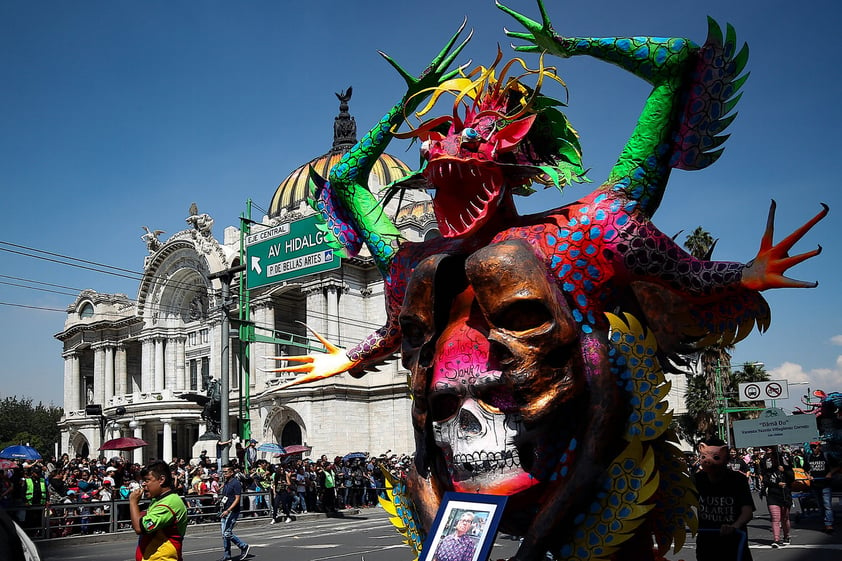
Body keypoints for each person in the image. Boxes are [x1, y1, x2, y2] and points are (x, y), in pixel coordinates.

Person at [693, 437, 754, 561]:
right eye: (703, 457)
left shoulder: (737, 480)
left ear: (726, 459)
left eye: (716, 457)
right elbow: (682, 503)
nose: (708, 462)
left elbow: (747, 511)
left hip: (734, 543)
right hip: (707, 543)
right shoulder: (696, 480)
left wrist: (735, 526)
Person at [129, 460, 188, 561]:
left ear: (161, 480)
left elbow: (139, 528)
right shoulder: (158, 499)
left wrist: (133, 502)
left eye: (147, 480)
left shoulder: (168, 504)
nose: (143, 484)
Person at [761, 446, 794, 547]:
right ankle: (776, 539)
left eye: (773, 458)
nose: (771, 461)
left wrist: (784, 470)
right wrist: (776, 484)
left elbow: (792, 478)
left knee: (785, 518)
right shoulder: (767, 468)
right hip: (772, 495)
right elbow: (765, 480)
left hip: (784, 495)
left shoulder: (785, 465)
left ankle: (786, 536)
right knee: (775, 518)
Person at [219, 464, 250, 561]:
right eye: (223, 472)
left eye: (226, 472)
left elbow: (237, 499)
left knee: (227, 533)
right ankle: (227, 555)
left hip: (232, 511)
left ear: (231, 472)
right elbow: (225, 495)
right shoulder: (227, 482)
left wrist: (229, 510)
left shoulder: (236, 483)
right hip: (224, 510)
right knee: (224, 535)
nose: (224, 474)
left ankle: (243, 546)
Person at [806, 441, 834, 533]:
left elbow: (837, 466)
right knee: (820, 505)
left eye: (815, 446)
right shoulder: (809, 457)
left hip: (825, 484)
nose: (813, 448)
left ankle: (829, 524)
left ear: (819, 447)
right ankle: (825, 523)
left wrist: (830, 473)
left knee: (827, 505)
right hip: (815, 484)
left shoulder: (826, 456)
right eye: (812, 447)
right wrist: (808, 475)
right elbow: (805, 469)